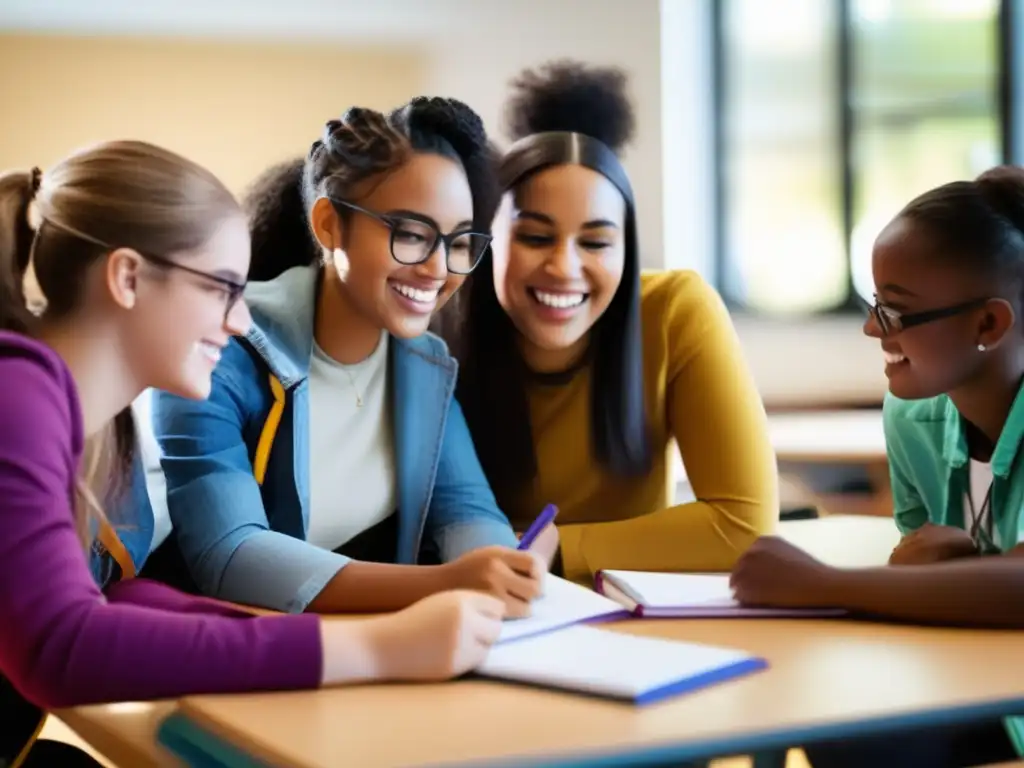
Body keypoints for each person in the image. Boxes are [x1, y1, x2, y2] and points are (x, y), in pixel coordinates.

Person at [0, 142, 510, 767]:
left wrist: (351, 638)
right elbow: (61, 647)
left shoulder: (100, 433)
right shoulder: (15, 396)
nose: (241, 321)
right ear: (127, 277)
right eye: (222, 289)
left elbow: (116, 604)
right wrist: (376, 649)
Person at [151, 97, 551, 616]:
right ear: (329, 225)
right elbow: (231, 554)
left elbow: (464, 513)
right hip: (196, 651)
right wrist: (447, 584)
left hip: (333, 650)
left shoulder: (422, 364)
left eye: (457, 243)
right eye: (410, 234)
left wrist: (503, 568)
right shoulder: (219, 350)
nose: (437, 268)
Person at [730, 166, 1024, 766]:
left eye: (895, 312)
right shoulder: (911, 416)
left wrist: (820, 585)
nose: (871, 327)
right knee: (826, 721)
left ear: (988, 324)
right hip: (978, 682)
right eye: (873, 304)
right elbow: (921, 557)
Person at [447, 61, 779, 584]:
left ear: (628, 251)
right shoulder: (439, 327)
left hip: (627, 612)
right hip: (480, 603)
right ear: (488, 243)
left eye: (596, 242)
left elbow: (744, 525)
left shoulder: (675, 311)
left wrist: (553, 545)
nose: (564, 267)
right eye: (535, 237)